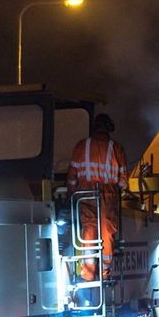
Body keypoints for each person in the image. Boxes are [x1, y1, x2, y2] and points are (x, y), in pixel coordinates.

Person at [66, 113, 128, 281]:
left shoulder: (81, 146)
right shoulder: (116, 148)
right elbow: (123, 181)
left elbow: (72, 175)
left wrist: (71, 192)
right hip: (108, 195)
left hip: (84, 195)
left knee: (89, 232)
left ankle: (87, 273)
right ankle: (104, 273)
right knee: (107, 233)